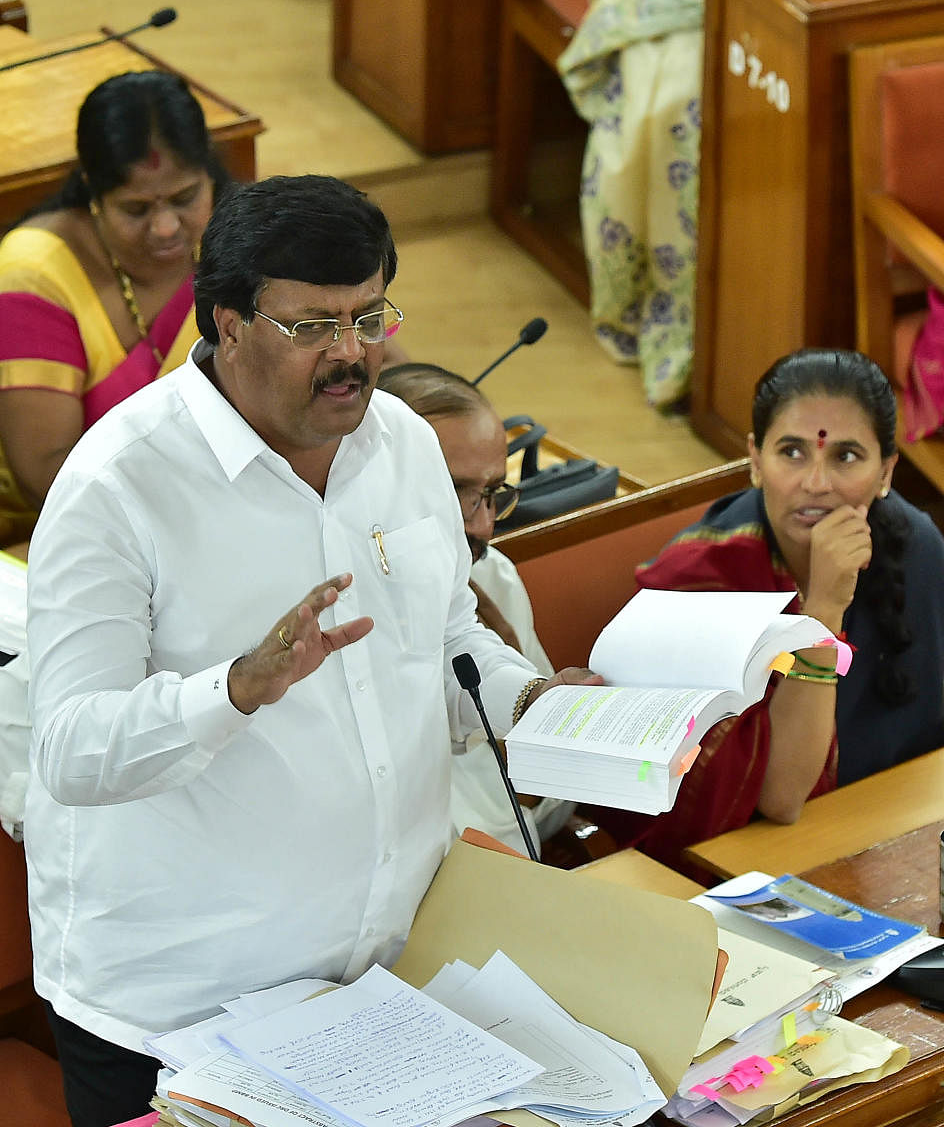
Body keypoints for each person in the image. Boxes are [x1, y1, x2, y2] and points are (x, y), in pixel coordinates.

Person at [24, 174, 597, 1127]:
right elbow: (71, 753)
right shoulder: (116, 488)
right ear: (228, 322)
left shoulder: (405, 446)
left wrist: (527, 701)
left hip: (385, 975)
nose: (350, 357)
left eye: (369, 319)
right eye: (312, 327)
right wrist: (236, 689)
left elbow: (447, 639)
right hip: (181, 1014)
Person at [594, 348, 944, 878]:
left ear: (886, 472)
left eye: (846, 456)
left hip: (891, 833)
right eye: (792, 453)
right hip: (734, 868)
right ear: (756, 462)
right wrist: (824, 609)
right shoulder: (698, 585)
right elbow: (780, 800)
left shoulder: (916, 546)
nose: (817, 483)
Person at [0, 69, 229, 548]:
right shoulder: (35, 272)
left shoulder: (241, 240)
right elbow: (46, 475)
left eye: (185, 198)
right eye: (136, 209)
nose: (167, 228)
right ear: (93, 193)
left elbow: (368, 357)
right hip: (56, 536)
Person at [377, 362, 574, 853]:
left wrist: (516, 680)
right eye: (455, 492)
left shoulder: (493, 575)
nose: (483, 526)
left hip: (511, 856)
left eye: (491, 494)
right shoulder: (334, 605)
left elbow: (544, 787)